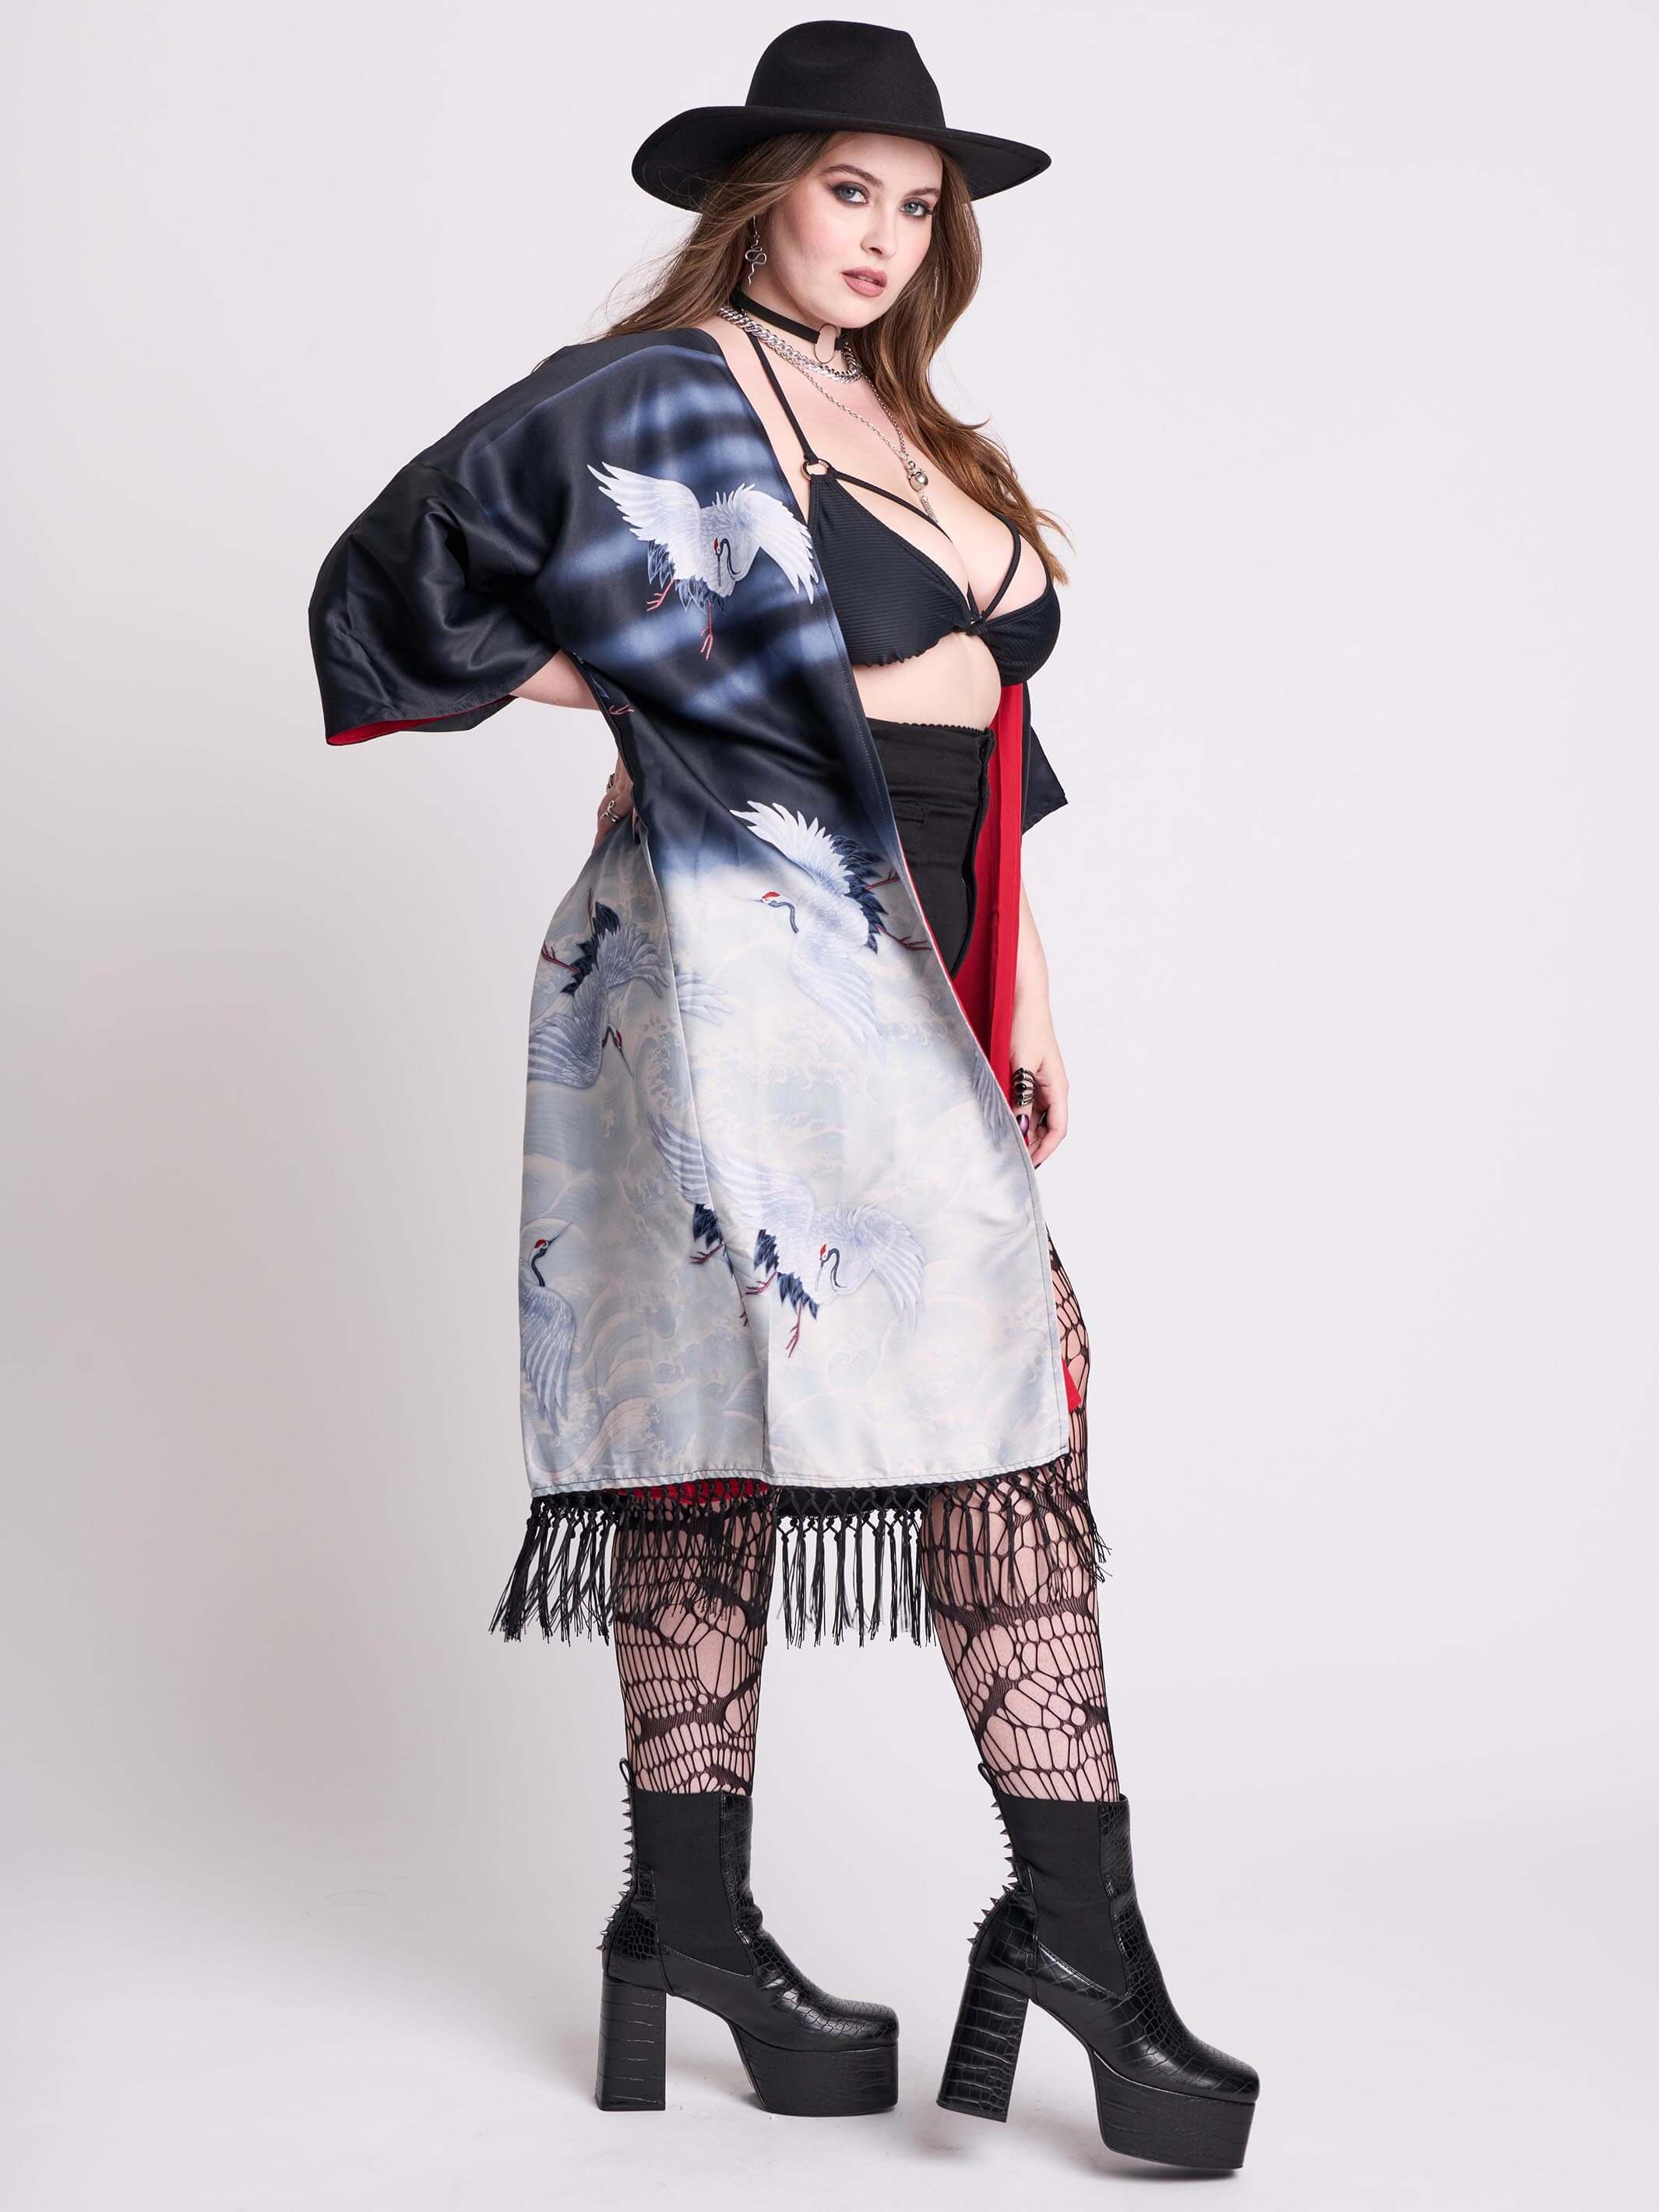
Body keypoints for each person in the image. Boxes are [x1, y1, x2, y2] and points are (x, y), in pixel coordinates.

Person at [308, 18, 1259, 2171]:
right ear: (759, 199)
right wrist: (657, 698)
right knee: (957, 1416)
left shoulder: (911, 419)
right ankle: (1052, 1948)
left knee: (843, 1416)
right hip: (749, 963)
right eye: (850, 190)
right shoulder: (668, 391)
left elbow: (985, 732)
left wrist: (1028, 984)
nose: (886, 235)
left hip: (933, 950)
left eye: (919, 205)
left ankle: (701, 1929)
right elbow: (390, 586)